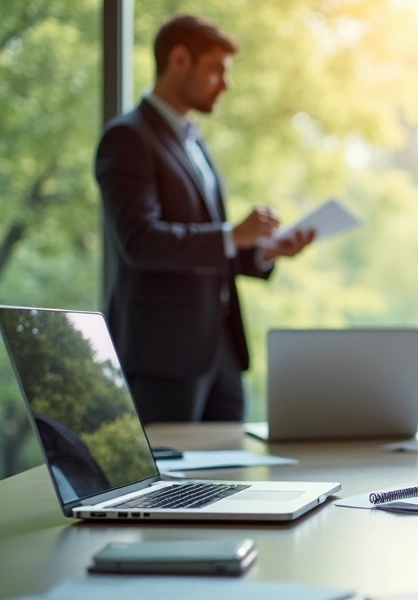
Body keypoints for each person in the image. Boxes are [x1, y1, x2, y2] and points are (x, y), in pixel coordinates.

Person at [95, 15, 314, 423]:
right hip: (163, 358)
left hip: (222, 354)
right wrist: (233, 234)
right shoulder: (128, 138)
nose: (226, 84)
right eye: (217, 71)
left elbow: (209, 246)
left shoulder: (193, 138)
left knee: (235, 480)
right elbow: (140, 241)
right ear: (179, 59)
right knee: (171, 482)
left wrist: (261, 250)